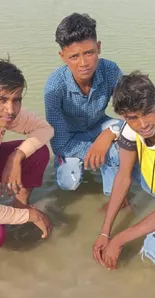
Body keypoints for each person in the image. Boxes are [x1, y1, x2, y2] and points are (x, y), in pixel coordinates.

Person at [44, 13, 124, 195]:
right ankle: (65, 162)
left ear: (99, 47)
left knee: (128, 137)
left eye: (89, 53)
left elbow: (133, 111)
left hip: (99, 125)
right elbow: (60, 143)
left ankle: (113, 195)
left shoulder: (111, 70)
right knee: (68, 184)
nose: (83, 63)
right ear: (62, 56)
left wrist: (109, 134)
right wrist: (95, 149)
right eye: (74, 56)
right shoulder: (54, 87)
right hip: (70, 138)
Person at [93, 71, 155, 269]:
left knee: (151, 250)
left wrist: (119, 239)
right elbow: (123, 176)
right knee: (113, 151)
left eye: (148, 112)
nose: (143, 124)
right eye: (133, 117)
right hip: (150, 180)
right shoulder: (130, 129)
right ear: (123, 116)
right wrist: (105, 232)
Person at [0, 58, 53, 243]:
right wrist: (33, 216)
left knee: (37, 152)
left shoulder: (8, 115)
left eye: (16, 100)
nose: (10, 110)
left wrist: (16, 156)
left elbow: (45, 129)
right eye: (2, 99)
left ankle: (19, 206)